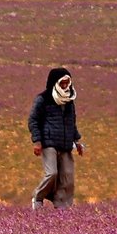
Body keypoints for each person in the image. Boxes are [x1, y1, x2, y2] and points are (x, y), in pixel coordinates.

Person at [28, 67, 85, 209]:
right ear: (55, 83)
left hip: (65, 144)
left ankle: (62, 209)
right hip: (49, 143)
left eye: (67, 83)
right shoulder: (43, 99)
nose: (65, 86)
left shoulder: (69, 100)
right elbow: (33, 120)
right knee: (52, 173)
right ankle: (38, 196)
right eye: (62, 83)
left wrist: (77, 142)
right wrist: (37, 142)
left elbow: (72, 122)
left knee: (67, 177)